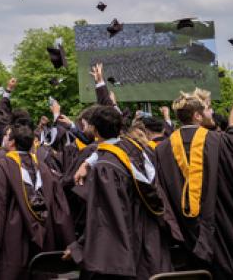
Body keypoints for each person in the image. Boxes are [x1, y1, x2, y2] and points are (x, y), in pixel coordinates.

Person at [66, 105, 181, 278]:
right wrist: (89, 162)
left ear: (95, 131)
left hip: (128, 242)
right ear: (120, 129)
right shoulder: (138, 151)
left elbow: (106, 216)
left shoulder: (106, 168)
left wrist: (79, 247)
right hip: (153, 239)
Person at [153, 89, 233, 276]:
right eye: (208, 109)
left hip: (187, 234)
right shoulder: (220, 142)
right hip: (226, 224)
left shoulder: (162, 150)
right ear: (197, 116)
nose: (212, 113)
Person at [0, 124, 74, 280]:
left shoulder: (1, 167)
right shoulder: (44, 169)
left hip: (11, 237)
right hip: (43, 236)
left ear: (12, 143)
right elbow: (59, 207)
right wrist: (69, 241)